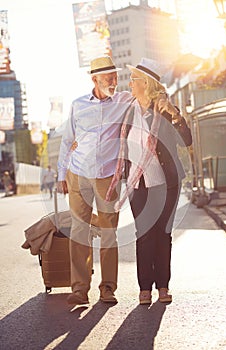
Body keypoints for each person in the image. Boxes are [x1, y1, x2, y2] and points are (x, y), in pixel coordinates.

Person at [106, 58, 192, 304]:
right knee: (144, 233)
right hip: (137, 183)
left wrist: (175, 115)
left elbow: (186, 141)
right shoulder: (128, 110)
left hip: (167, 183)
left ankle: (163, 286)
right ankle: (145, 288)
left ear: (145, 83)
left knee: (162, 233)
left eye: (133, 79)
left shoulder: (164, 109)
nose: (129, 83)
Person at [57, 56, 132, 305]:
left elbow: (146, 100)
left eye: (115, 76)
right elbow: (68, 141)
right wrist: (61, 175)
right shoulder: (78, 105)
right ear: (95, 79)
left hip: (108, 175)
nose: (113, 81)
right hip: (78, 173)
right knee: (79, 231)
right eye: (108, 77)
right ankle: (79, 289)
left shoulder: (124, 101)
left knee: (109, 233)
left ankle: (108, 288)